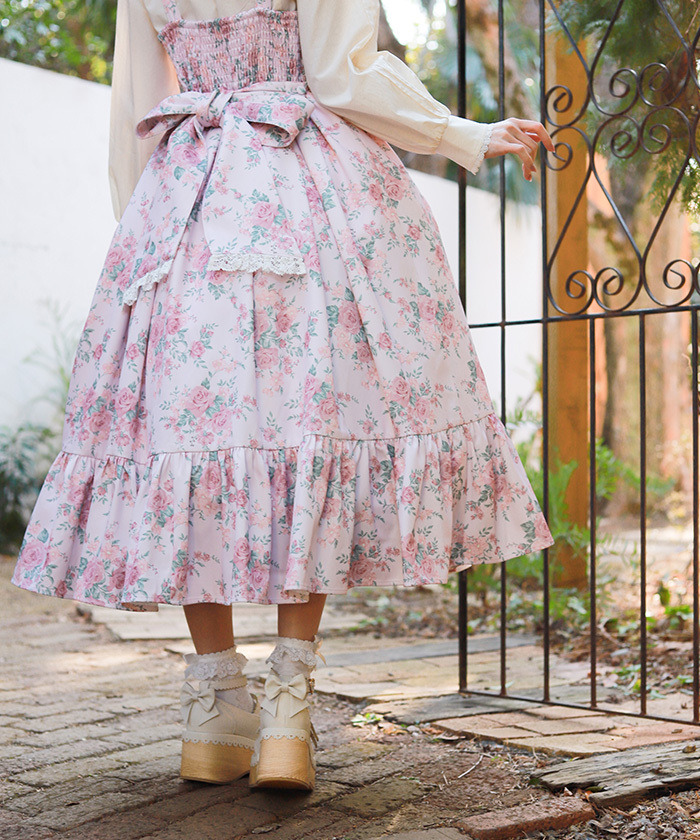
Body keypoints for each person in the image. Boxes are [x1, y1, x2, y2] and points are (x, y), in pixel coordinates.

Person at [11, 0, 556, 792]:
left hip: (185, 199)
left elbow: (134, 106)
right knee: (314, 432)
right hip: (306, 191)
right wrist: (459, 133)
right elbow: (342, 76)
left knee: (188, 441)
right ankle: (287, 715)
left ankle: (213, 711)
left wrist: (143, 235)